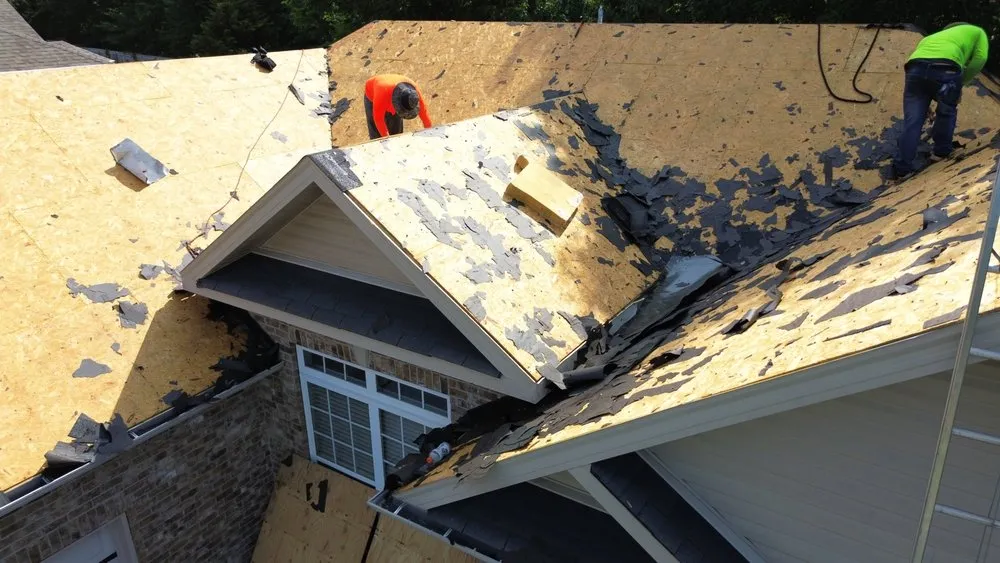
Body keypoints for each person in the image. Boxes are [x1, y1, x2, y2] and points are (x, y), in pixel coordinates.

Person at [893, 23, 989, 178]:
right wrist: (960, 82)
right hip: (946, 68)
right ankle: (941, 151)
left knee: (912, 121)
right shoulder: (978, 32)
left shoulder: (930, 38)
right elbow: (980, 58)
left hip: (914, 69)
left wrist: (924, 105)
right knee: (946, 111)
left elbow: (923, 69)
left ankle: (902, 169)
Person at [364, 74, 432, 139]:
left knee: (397, 132)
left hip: (388, 92)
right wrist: (387, 138)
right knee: (377, 136)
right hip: (373, 96)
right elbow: (378, 119)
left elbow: (424, 112)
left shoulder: (413, 93)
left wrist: (429, 131)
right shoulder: (381, 94)